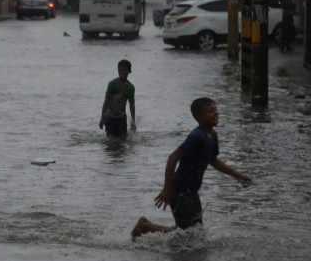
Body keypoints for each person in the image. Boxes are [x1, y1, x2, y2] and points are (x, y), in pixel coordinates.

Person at [131, 97, 252, 240]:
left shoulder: (212, 135)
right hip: (179, 190)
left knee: (195, 233)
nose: (215, 113)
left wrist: (238, 176)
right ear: (198, 117)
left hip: (192, 191)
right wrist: (167, 189)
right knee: (186, 234)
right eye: (210, 111)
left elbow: (213, 160)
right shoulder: (197, 136)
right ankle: (146, 227)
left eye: (215, 110)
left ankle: (146, 226)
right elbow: (173, 157)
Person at [99, 59, 136, 139]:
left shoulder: (130, 87)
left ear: (129, 71)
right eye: (120, 70)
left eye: (125, 70)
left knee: (123, 140)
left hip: (121, 118)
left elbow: (132, 105)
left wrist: (133, 121)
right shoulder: (112, 84)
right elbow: (106, 102)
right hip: (110, 117)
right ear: (118, 70)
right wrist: (102, 118)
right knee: (111, 141)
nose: (122, 72)